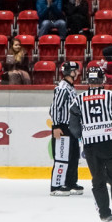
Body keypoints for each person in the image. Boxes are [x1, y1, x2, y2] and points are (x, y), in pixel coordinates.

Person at [68, 66, 112, 222]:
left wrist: (81, 135)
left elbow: (73, 123)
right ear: (102, 80)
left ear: (88, 81)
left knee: (98, 181)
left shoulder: (78, 99)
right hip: (111, 143)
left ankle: (105, 215)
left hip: (91, 145)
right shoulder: (111, 96)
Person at [49, 61, 82, 196]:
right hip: (63, 127)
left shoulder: (70, 87)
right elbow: (55, 108)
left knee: (73, 156)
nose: (78, 72)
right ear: (70, 72)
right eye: (76, 70)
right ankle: (56, 185)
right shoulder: (63, 88)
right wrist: (56, 126)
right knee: (62, 157)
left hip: (72, 128)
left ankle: (70, 182)